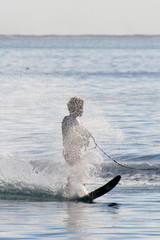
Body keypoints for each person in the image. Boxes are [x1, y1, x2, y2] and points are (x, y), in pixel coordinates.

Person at [62, 97, 91, 197]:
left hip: (74, 150)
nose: (82, 110)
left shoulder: (76, 120)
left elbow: (78, 133)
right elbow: (71, 132)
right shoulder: (69, 119)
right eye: (81, 107)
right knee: (77, 170)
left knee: (77, 170)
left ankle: (73, 190)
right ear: (75, 108)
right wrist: (81, 137)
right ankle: (77, 191)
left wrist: (85, 138)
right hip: (70, 150)